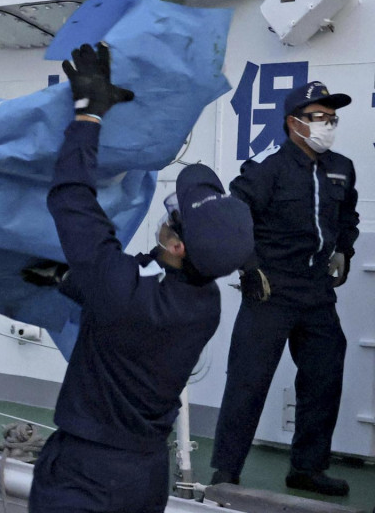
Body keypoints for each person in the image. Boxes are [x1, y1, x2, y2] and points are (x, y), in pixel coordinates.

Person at [27, 43, 254, 513]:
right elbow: (125, 285)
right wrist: (68, 278)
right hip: (145, 474)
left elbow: (71, 197)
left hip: (84, 475)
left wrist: (88, 115)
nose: (167, 215)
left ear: (177, 245)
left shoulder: (121, 289)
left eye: (174, 215)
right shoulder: (203, 302)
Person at [210, 81, 359, 496]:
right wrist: (250, 268)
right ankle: (226, 470)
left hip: (316, 293)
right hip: (270, 290)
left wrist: (343, 250)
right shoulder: (267, 166)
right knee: (248, 381)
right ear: (294, 123)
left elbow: (348, 215)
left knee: (324, 377)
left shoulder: (341, 167)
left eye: (331, 117)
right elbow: (236, 217)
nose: (327, 124)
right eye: (318, 117)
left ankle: (307, 468)